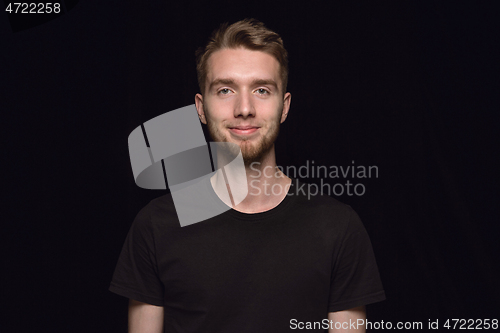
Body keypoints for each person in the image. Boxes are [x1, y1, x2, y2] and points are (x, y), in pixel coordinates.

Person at [109, 18, 385, 332]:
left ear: (284, 106)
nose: (244, 108)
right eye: (225, 90)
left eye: (262, 90)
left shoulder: (338, 227)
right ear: (201, 108)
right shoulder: (156, 226)